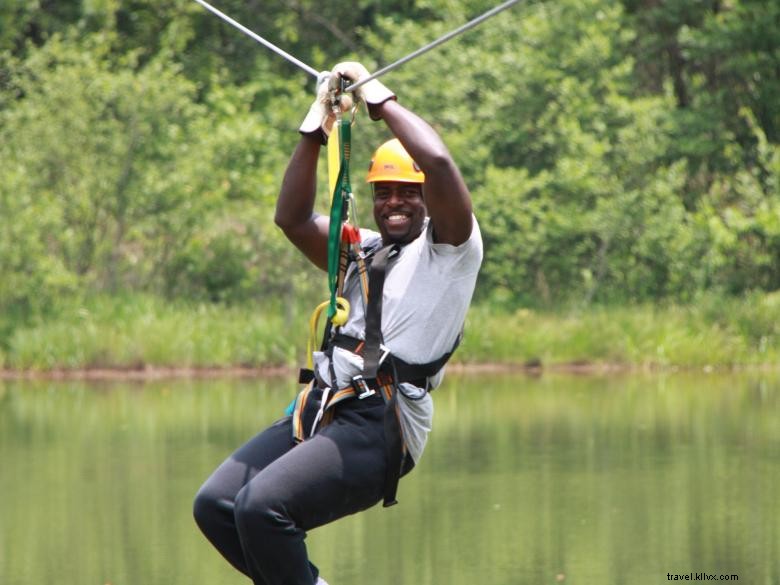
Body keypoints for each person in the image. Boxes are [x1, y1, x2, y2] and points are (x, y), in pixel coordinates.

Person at [193, 61, 483, 585]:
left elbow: (438, 163)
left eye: (407, 193)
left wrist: (378, 97)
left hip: (385, 419)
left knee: (263, 509)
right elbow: (293, 219)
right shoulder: (362, 251)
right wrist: (315, 126)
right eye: (384, 193)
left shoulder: (451, 250)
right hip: (326, 405)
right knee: (216, 504)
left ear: (427, 199)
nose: (394, 203)